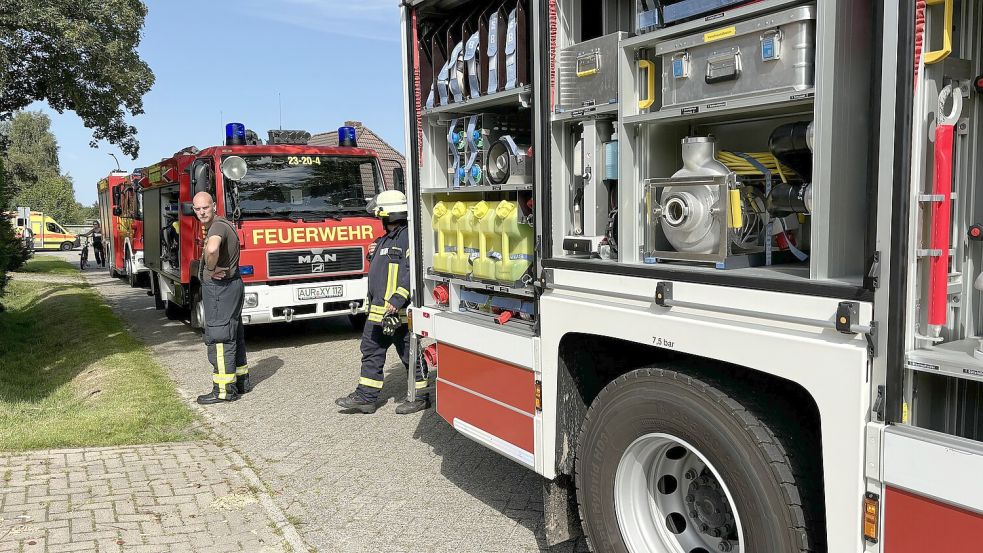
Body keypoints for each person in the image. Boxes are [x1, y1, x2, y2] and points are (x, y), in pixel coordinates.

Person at [335, 190, 429, 415]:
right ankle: (366, 397)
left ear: (389, 215)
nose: (380, 220)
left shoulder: (406, 237)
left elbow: (410, 272)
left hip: (396, 311)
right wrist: (373, 253)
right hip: (380, 311)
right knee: (372, 349)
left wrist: (397, 300)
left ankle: (420, 396)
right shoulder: (388, 238)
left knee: (409, 353)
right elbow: (387, 265)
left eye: (381, 216)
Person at [192, 191, 250, 404]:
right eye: (197, 209)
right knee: (234, 333)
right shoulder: (225, 224)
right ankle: (241, 381)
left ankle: (224, 391)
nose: (201, 212)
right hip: (232, 286)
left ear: (214, 205)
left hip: (220, 290)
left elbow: (213, 247)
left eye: (205, 208)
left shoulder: (216, 227)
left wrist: (209, 266)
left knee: (219, 337)